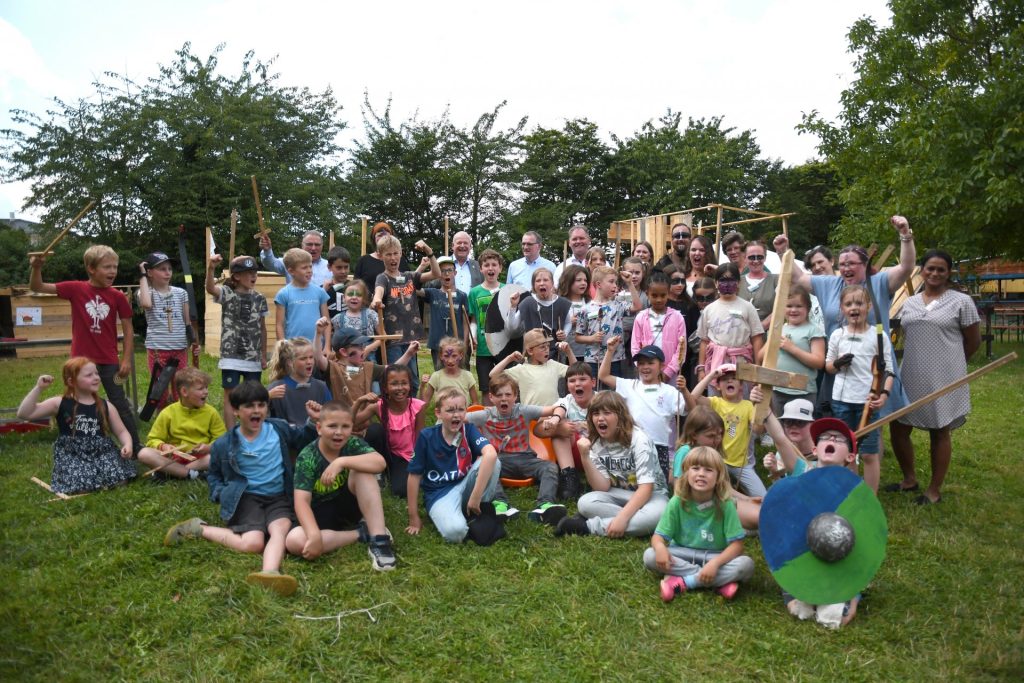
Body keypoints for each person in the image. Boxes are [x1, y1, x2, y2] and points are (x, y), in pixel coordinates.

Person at [162, 381, 318, 597]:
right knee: (253, 543)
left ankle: (270, 573)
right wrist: (219, 493)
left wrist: (313, 422)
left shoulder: (278, 428)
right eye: (249, 406)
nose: (256, 411)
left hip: (278, 497)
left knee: (280, 528)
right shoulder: (224, 444)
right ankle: (199, 528)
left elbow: (302, 440)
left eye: (261, 405)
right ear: (236, 411)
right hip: (246, 497)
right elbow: (214, 474)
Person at [784, 216, 916, 417]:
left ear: (864, 264)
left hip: (871, 365)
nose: (846, 268)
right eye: (843, 264)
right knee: (840, 419)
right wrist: (784, 251)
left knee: (872, 421)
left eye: (852, 263)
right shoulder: (829, 284)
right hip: (839, 364)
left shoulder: (880, 282)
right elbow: (798, 278)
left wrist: (905, 235)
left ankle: (871, 448)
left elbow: (906, 268)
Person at [888, 249, 980, 504]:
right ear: (922, 271)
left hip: (945, 376)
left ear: (948, 272)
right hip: (911, 373)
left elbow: (973, 341)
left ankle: (934, 490)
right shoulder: (910, 302)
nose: (935, 273)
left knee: (939, 430)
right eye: (930, 268)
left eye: (941, 269)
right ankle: (909, 479)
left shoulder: (961, 302)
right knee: (898, 425)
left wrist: (953, 365)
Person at [30, 245, 142, 454]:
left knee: (119, 403)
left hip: (109, 361)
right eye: (107, 267)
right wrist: (37, 268)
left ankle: (135, 447)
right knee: (79, 406)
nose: (112, 272)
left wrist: (125, 359)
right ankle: (80, 447)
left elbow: (128, 329)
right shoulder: (75, 289)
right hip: (81, 363)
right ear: (91, 268)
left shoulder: (117, 296)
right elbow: (38, 286)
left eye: (115, 267)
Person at [760, 413, 864, 628]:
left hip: (838, 559)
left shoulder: (851, 490)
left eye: (839, 439)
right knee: (800, 610)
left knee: (834, 618)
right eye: (826, 438)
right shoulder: (804, 472)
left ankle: (849, 596)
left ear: (850, 457)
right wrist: (767, 413)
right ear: (815, 450)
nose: (831, 440)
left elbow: (863, 540)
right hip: (804, 555)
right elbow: (780, 439)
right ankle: (800, 593)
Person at [286, 401, 396, 570]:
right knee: (294, 541)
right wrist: (314, 534)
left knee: (363, 471)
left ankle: (380, 540)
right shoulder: (307, 456)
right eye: (332, 426)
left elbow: (379, 463)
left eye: (345, 426)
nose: (339, 432)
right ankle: (361, 534)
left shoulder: (352, 444)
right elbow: (301, 502)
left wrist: (341, 462)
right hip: (319, 513)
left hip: (347, 506)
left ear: (352, 428)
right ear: (319, 428)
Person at [645, 446, 755, 602]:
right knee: (650, 555)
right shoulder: (677, 502)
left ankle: (684, 582)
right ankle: (717, 582)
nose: (701, 474)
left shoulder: (726, 505)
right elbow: (658, 537)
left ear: (718, 477)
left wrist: (715, 563)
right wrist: (661, 548)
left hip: (714, 556)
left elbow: (737, 546)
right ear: (686, 473)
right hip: (682, 553)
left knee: (746, 564)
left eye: (709, 470)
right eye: (695, 468)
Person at [554, 392, 670, 538]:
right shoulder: (595, 443)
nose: (600, 418)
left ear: (620, 417)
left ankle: (586, 526)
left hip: (652, 496)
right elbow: (602, 487)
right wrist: (585, 456)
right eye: (595, 414)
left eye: (607, 413)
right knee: (585, 502)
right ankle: (637, 520)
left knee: (659, 513)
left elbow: (646, 488)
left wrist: (622, 518)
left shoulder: (639, 440)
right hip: (619, 494)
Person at [17, 357, 141, 493]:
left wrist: (127, 445)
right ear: (71, 381)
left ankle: (99, 478)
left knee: (120, 480)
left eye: (96, 373)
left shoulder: (106, 405)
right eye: (89, 375)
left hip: (102, 453)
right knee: (81, 485)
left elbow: (121, 431)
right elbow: (25, 414)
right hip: (73, 455)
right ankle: (88, 481)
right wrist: (39, 388)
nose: (96, 378)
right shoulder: (59, 403)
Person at [465, 373, 567, 525]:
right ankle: (500, 504)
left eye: (508, 394)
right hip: (500, 461)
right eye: (499, 395)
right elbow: (459, 418)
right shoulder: (485, 415)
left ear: (515, 397)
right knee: (486, 466)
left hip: (526, 459)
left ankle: (545, 505)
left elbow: (559, 407)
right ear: (491, 398)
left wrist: (555, 418)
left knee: (550, 467)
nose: (504, 399)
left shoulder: (524, 411)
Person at [406, 387, 503, 544]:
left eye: (460, 409)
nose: (456, 414)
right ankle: (466, 517)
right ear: (438, 413)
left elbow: (491, 454)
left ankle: (478, 507)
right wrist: (413, 516)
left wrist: (475, 497)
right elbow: (414, 475)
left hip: (466, 486)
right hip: (440, 494)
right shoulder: (427, 436)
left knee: (493, 461)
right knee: (455, 533)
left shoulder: (469, 430)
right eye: (450, 410)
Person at [825, 285, 894, 493]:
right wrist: (838, 364)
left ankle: (870, 498)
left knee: (868, 453)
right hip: (841, 400)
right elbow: (827, 366)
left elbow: (888, 371)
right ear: (842, 308)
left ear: (869, 306)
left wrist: (884, 395)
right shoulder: (838, 335)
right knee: (847, 451)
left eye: (859, 303)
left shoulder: (878, 336)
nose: (854, 308)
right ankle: (850, 493)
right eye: (848, 304)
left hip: (868, 402)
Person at [599, 338, 687, 482]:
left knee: (658, 486)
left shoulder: (670, 391)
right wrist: (610, 351)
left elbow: (688, 409)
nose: (645, 367)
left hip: (659, 446)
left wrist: (684, 391)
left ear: (661, 366)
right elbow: (603, 376)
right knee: (634, 483)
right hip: (632, 445)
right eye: (641, 363)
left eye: (650, 363)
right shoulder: (630, 385)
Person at [679, 364, 767, 497]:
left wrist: (759, 408)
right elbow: (693, 398)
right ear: (718, 386)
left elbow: (758, 430)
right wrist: (710, 376)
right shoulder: (715, 402)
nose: (730, 381)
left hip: (741, 465)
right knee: (721, 494)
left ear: (741, 385)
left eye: (734, 378)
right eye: (725, 379)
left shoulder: (748, 405)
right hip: (716, 460)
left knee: (762, 496)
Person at [370, 234, 439, 397]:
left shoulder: (409, 277)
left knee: (413, 380)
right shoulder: (383, 278)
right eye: (388, 254)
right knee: (396, 377)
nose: (393, 258)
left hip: (411, 338)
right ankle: (394, 410)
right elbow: (378, 291)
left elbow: (436, 274)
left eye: (395, 253)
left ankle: (411, 410)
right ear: (381, 256)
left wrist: (429, 251)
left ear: (401, 253)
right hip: (393, 339)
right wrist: (377, 300)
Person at [206, 254, 268, 430]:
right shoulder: (227, 294)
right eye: (248, 273)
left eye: (254, 272)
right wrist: (211, 268)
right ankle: (232, 433)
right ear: (236, 276)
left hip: (253, 358)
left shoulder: (260, 298)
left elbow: (262, 329)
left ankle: (251, 430)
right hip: (231, 356)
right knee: (230, 396)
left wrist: (263, 355)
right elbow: (211, 288)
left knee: (253, 397)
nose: (253, 276)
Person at [313, 324, 419, 422]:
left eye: (363, 346)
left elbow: (393, 370)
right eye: (359, 347)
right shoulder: (332, 368)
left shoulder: (367, 367)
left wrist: (409, 354)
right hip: (339, 423)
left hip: (363, 423)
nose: (364, 349)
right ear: (344, 352)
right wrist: (318, 334)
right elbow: (318, 358)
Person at [140, 367, 226, 480]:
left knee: (219, 456)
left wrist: (209, 447)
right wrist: (163, 446)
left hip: (199, 459)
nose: (206, 391)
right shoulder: (168, 413)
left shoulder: (211, 413)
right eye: (200, 388)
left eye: (206, 387)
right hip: (173, 458)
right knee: (144, 454)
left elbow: (222, 440)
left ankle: (173, 472)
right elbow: (152, 440)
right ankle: (190, 474)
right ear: (184, 392)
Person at [356, 364, 426, 498]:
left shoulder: (418, 406)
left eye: (404, 383)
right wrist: (359, 402)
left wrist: (417, 462)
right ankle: (377, 470)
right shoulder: (378, 406)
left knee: (401, 491)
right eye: (394, 384)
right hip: (386, 452)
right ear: (385, 388)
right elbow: (351, 424)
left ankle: (389, 471)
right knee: (374, 430)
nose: (400, 388)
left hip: (407, 455)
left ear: (410, 385)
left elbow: (420, 437)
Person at [756, 284, 825, 416]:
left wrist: (792, 348)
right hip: (777, 390)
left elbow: (819, 362)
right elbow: (760, 356)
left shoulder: (814, 331)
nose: (793, 310)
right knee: (780, 429)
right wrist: (772, 344)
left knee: (800, 429)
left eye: (799, 306)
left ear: (808, 308)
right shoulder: (778, 329)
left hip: (803, 392)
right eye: (789, 306)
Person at [137, 251, 193, 409]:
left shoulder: (181, 293)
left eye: (169, 268)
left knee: (181, 389)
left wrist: (193, 341)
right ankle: (162, 423)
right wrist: (142, 275)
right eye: (162, 269)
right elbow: (147, 304)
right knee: (159, 391)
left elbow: (187, 321)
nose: (167, 272)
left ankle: (180, 423)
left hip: (179, 349)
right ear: (150, 272)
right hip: (158, 350)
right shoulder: (145, 293)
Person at [696, 263, 764, 383]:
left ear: (738, 282)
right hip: (716, 364)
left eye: (731, 280)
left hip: (741, 363)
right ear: (716, 283)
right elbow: (704, 341)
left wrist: (757, 367)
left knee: (741, 399)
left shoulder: (747, 307)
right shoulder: (709, 309)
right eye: (723, 280)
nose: (727, 284)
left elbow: (757, 338)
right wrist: (701, 368)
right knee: (715, 400)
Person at [540, 361, 597, 501]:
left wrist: (588, 426)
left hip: (596, 454)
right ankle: (569, 477)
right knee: (560, 430)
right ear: (567, 385)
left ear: (593, 382)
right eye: (572, 381)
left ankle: (596, 478)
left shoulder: (601, 400)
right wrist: (556, 423)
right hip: (574, 454)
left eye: (583, 379)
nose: (577, 384)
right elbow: (540, 429)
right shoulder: (566, 401)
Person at [577, 265, 642, 378]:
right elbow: (578, 337)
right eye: (611, 282)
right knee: (595, 393)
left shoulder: (618, 305)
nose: (615, 286)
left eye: (616, 282)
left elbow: (637, 306)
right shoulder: (585, 309)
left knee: (611, 393)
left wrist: (630, 283)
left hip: (615, 359)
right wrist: (591, 338)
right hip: (593, 360)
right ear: (598, 284)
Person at [490, 328, 575, 407]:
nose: (547, 350)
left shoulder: (553, 365)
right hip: (531, 418)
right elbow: (493, 375)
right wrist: (510, 358)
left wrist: (569, 351)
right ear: (530, 351)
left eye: (548, 346)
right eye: (542, 347)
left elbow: (577, 371)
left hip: (553, 416)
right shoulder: (521, 369)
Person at [631, 272, 687, 384]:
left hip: (670, 374)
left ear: (668, 294)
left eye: (663, 295)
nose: (659, 300)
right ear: (647, 294)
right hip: (645, 372)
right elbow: (635, 347)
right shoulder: (641, 317)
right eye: (654, 295)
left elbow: (681, 348)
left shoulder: (677, 317)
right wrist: (643, 367)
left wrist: (668, 372)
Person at [506, 267, 572, 360]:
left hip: (556, 355)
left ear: (552, 283)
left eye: (545, 280)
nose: (542, 283)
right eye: (538, 281)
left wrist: (564, 333)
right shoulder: (527, 302)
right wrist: (513, 307)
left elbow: (568, 322)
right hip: (533, 355)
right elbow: (512, 327)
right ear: (533, 285)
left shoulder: (561, 303)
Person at [266, 337, 333, 426]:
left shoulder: (321, 387)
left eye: (311, 357)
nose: (309, 362)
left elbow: (332, 417)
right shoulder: (275, 389)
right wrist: (266, 397)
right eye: (303, 358)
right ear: (290, 362)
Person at [467, 249, 504, 403]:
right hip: (483, 348)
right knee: (486, 387)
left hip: (504, 347)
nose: (490, 268)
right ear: (481, 269)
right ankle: (487, 421)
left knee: (506, 385)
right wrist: (472, 336)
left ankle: (506, 420)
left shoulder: (507, 289)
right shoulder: (474, 293)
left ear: (500, 268)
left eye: (494, 265)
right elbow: (474, 319)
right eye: (486, 265)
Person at [420, 257, 470, 370]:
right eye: (442, 271)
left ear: (455, 273)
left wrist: (465, 343)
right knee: (440, 377)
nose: (446, 274)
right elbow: (414, 288)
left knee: (459, 377)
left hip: (457, 344)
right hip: (438, 345)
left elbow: (465, 321)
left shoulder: (462, 296)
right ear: (438, 274)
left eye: (450, 270)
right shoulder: (432, 293)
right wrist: (423, 267)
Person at [274, 248, 330, 344]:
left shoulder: (320, 292)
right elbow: (279, 325)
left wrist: (327, 347)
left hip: (316, 347)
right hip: (293, 347)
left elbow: (327, 321)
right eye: (304, 268)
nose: (309, 271)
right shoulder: (284, 294)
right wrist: (283, 347)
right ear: (291, 271)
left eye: (310, 266)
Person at [329, 279, 380, 361]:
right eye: (350, 294)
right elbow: (336, 342)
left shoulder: (371, 315)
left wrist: (369, 348)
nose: (354, 297)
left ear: (363, 298)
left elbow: (383, 337)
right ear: (344, 298)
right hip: (345, 360)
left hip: (368, 359)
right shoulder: (337, 319)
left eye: (358, 295)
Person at [354, 221, 411, 293]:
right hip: (370, 303)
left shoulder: (399, 260)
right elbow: (355, 286)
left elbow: (409, 281)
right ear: (374, 239)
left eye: (386, 235)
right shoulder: (364, 261)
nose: (383, 238)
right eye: (380, 235)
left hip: (396, 302)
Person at [422, 336, 479, 406]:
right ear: (441, 356)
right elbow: (423, 404)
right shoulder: (436, 376)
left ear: (461, 356)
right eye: (446, 356)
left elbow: (475, 402)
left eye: (454, 356)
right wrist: (422, 386)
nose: (450, 361)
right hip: (443, 416)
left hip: (463, 416)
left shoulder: (468, 376)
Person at [259, 230, 330, 286]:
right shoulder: (291, 262)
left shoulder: (330, 266)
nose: (313, 248)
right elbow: (270, 263)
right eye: (309, 244)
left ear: (322, 246)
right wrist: (267, 250)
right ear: (302, 245)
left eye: (317, 245)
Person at [738, 240, 779, 330]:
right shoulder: (738, 282)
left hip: (769, 335)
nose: (756, 261)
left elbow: (782, 308)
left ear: (765, 258)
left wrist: (760, 327)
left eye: (759, 257)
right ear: (745, 258)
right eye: (752, 257)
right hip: (741, 334)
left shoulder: (776, 280)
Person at [560, 264, 591, 367]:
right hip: (566, 351)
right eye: (578, 280)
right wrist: (569, 322)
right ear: (568, 281)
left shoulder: (589, 302)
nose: (583, 283)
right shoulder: (560, 302)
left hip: (586, 351)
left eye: (585, 280)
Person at [323, 246, 352, 319]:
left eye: (346, 267)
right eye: (339, 268)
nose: (343, 271)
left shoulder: (354, 287)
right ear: (329, 267)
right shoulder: (324, 289)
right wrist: (323, 291)